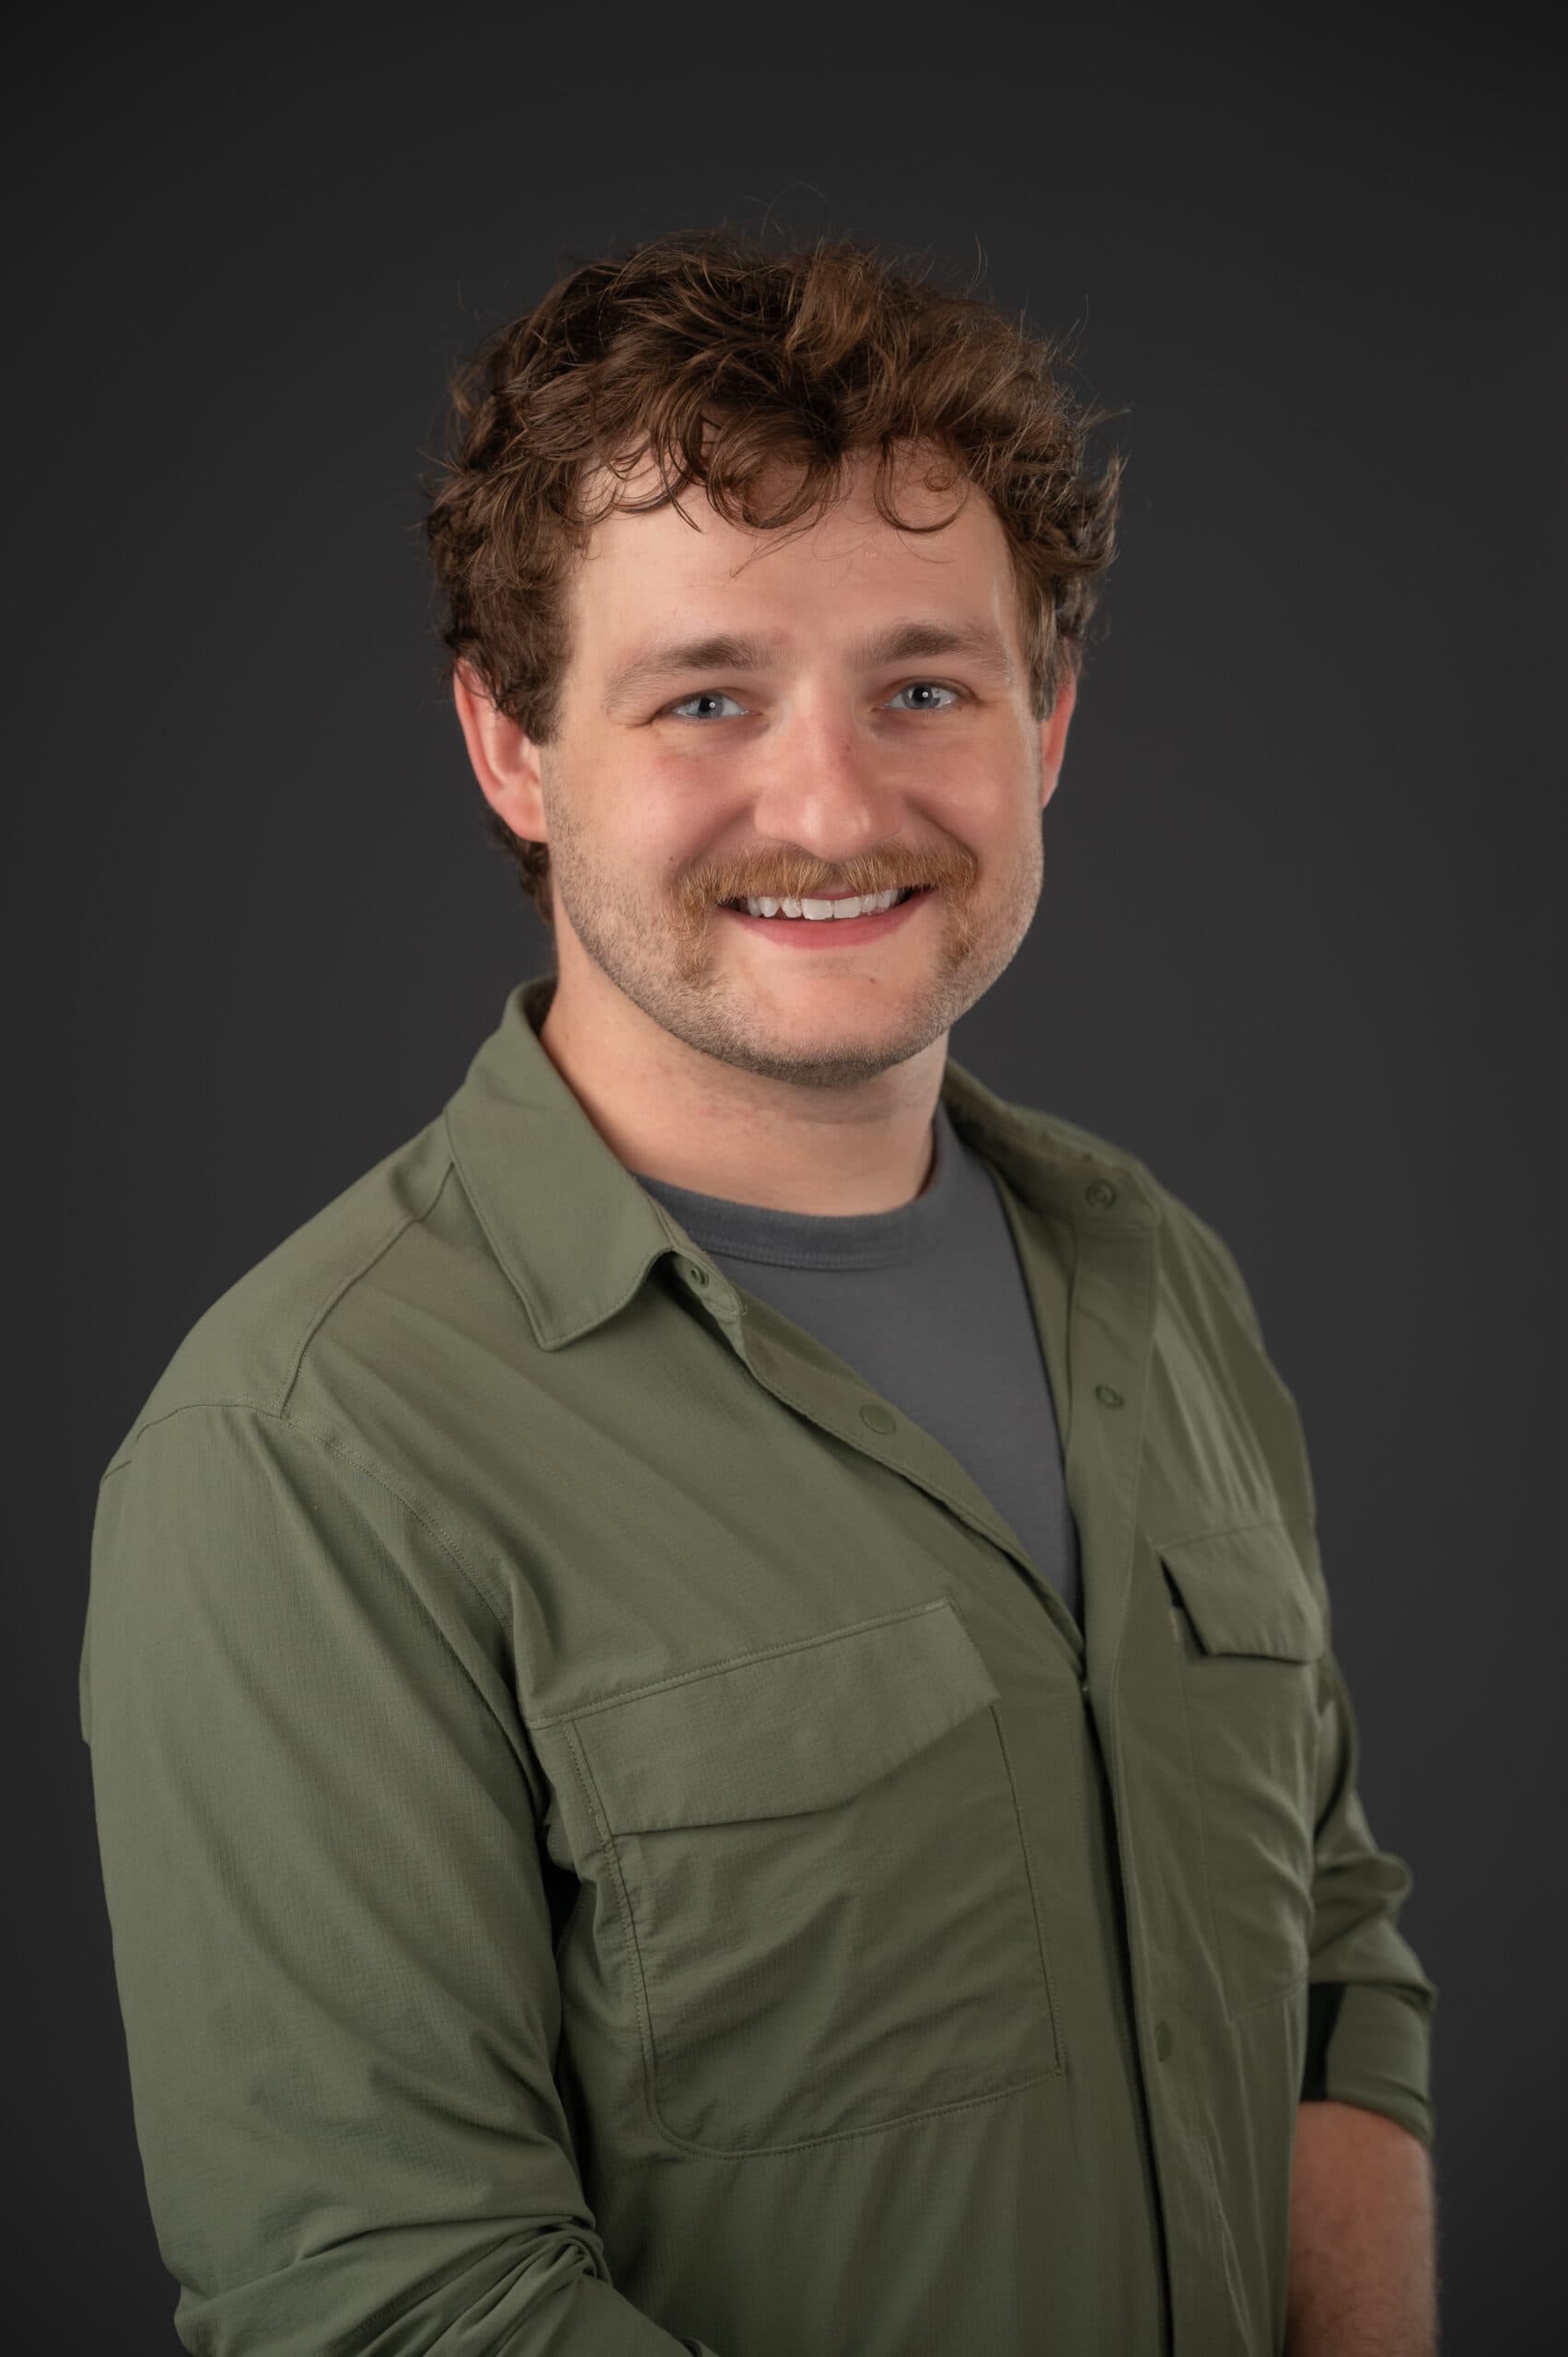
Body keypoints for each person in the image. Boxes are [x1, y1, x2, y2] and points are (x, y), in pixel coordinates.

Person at [78, 226, 1437, 2356]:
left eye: (926, 686)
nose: (834, 801)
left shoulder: (1159, 1280)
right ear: (511, 751)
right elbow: (398, 2298)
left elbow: (1336, 1968)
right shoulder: (301, 1449)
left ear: (1048, 724)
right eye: (707, 694)